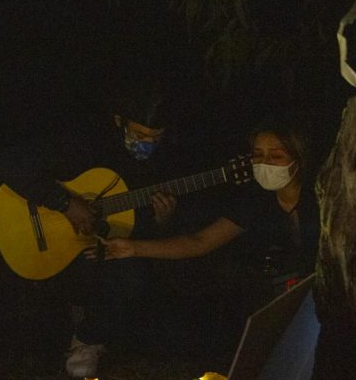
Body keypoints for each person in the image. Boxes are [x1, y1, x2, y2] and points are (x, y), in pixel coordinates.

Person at [0, 79, 205, 377]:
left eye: (155, 137)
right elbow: (9, 162)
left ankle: (88, 339)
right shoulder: (85, 144)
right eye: (140, 134)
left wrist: (162, 220)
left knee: (136, 274)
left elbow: (137, 231)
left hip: (103, 252)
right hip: (53, 244)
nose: (148, 143)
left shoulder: (161, 162)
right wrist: (65, 203)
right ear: (119, 121)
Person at [96, 119, 320, 324]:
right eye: (258, 155)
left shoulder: (324, 196)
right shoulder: (257, 200)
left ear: (298, 158)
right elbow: (199, 241)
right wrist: (133, 248)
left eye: (276, 156)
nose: (264, 163)